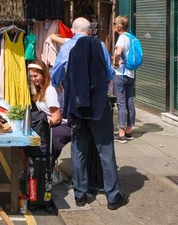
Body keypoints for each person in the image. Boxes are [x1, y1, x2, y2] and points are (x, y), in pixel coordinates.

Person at [50, 17, 128, 210]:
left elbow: (55, 75)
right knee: (106, 150)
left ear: (72, 30)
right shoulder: (100, 45)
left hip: (77, 107)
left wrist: (61, 84)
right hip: (99, 106)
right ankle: (113, 196)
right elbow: (110, 73)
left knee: (78, 150)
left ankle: (80, 194)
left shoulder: (68, 47)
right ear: (89, 30)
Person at [26, 59, 72, 184]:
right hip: (50, 121)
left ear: (44, 74)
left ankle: (47, 170)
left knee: (43, 143)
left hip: (63, 125)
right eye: (31, 77)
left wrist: (40, 124)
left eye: (36, 76)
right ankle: (32, 171)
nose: (33, 79)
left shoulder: (50, 90)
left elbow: (56, 118)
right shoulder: (40, 89)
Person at [112, 15, 136, 143]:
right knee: (130, 102)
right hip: (130, 74)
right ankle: (129, 131)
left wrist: (115, 63)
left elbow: (118, 53)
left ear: (120, 27)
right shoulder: (131, 37)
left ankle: (121, 133)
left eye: (115, 24)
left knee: (121, 103)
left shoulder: (121, 38)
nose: (114, 26)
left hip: (120, 74)